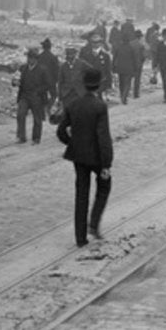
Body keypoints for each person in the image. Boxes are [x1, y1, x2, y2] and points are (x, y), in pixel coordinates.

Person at [56, 68, 113, 247]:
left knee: (81, 194)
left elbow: (60, 131)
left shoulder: (73, 104)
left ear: (84, 85)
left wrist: (73, 143)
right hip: (96, 156)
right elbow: (103, 136)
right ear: (99, 85)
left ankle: (80, 238)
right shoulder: (100, 106)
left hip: (79, 157)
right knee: (104, 186)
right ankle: (94, 223)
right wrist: (106, 164)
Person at [15, 47, 53, 144]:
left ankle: (36, 138)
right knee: (20, 114)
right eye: (29, 57)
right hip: (24, 96)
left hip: (37, 97)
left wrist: (38, 91)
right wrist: (15, 82)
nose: (30, 60)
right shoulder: (23, 68)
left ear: (36, 59)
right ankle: (21, 137)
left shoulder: (43, 69)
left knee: (37, 118)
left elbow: (48, 84)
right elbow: (16, 79)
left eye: (32, 58)